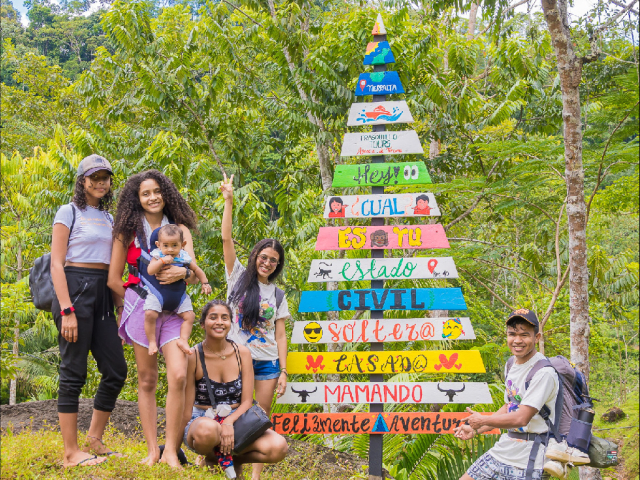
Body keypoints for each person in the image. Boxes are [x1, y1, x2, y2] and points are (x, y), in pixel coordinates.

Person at [107, 169, 201, 467]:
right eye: (145, 193)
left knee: (179, 375)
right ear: (137, 198)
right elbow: (113, 278)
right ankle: (151, 450)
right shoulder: (128, 230)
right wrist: (129, 307)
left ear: (166, 193)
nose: (152, 197)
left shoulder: (180, 230)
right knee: (147, 379)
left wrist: (184, 273)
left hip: (174, 311)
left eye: (157, 191)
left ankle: (171, 450)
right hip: (142, 309)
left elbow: (193, 272)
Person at [50, 154, 127, 467]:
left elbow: (115, 267)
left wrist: (121, 308)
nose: (100, 182)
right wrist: (67, 309)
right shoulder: (68, 211)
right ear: (82, 180)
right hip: (75, 289)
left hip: (104, 293)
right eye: (94, 177)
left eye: (105, 177)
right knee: (73, 371)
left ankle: (94, 438)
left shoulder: (110, 219)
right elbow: (57, 262)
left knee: (116, 370)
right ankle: (71, 453)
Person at [220, 173, 289, 480]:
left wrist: (284, 370)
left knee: (260, 419)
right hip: (235, 359)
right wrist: (229, 200)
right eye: (264, 257)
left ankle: (255, 475)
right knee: (227, 413)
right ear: (255, 257)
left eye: (274, 261)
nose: (267, 263)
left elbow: (280, 333)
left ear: (278, 265)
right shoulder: (237, 277)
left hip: (267, 364)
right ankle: (216, 459)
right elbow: (225, 238)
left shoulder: (277, 294)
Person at [183, 300, 288, 479]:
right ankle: (210, 456)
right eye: (213, 317)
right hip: (202, 420)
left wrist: (229, 422)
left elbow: (247, 400)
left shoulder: (242, 353)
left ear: (230, 324)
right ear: (202, 324)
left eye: (225, 318)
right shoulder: (194, 355)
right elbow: (185, 406)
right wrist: (174, 446)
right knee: (207, 431)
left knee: (279, 447)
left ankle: (233, 459)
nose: (219, 322)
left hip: (236, 420)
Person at [454, 309, 559, 480]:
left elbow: (521, 418)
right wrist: (476, 428)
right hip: (504, 448)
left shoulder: (543, 372)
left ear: (537, 337)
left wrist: (483, 419)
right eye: (512, 334)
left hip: (530, 459)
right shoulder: (511, 364)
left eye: (524, 335)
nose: (517, 340)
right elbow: (509, 406)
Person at [143, 224, 212, 355]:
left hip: (178, 296)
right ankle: (152, 342)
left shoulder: (184, 257)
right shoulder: (157, 255)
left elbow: (196, 270)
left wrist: (205, 283)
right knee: (149, 314)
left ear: (182, 244)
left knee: (190, 316)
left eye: (174, 245)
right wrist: (162, 261)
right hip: (158, 294)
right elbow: (150, 270)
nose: (170, 249)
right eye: (166, 246)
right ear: (158, 245)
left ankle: (183, 340)